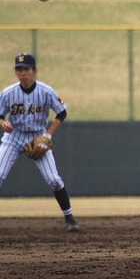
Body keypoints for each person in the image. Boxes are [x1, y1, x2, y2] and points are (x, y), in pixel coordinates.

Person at [0, 53, 80, 232]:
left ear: (34, 71)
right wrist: (3, 123)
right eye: (19, 69)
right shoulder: (8, 93)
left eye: (26, 69)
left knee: (54, 179)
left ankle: (69, 218)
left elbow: (62, 113)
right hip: (14, 137)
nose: (22, 73)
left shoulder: (46, 91)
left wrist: (48, 136)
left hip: (38, 136)